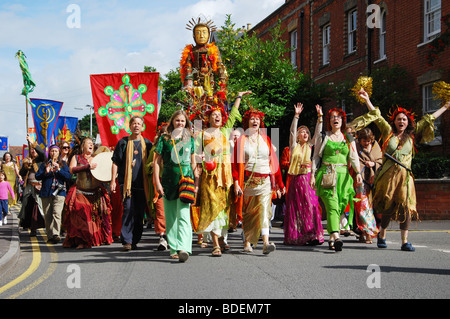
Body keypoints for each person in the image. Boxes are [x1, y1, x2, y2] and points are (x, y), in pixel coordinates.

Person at [354, 88, 449, 251]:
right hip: (388, 177)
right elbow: (377, 116)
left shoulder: (412, 135)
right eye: (399, 119)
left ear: (408, 122)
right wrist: (367, 99)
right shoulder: (388, 132)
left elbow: (429, 119)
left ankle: (405, 241)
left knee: (406, 207)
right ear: (394, 121)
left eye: (404, 119)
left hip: (405, 177)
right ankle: (382, 233)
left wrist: (446, 106)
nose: (401, 122)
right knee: (388, 208)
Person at [196, 91, 250, 257]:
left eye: (219, 114)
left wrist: (239, 97)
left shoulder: (226, 131)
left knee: (225, 208)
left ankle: (222, 239)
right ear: (209, 118)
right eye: (213, 115)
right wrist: (201, 157)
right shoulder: (203, 134)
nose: (217, 117)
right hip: (210, 176)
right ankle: (215, 243)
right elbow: (196, 156)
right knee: (212, 207)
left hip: (225, 177)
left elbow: (233, 115)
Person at [232, 107, 285, 254]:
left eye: (257, 118)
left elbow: (274, 163)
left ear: (260, 121)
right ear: (247, 122)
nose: (255, 121)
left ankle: (266, 242)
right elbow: (235, 165)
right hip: (248, 181)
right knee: (249, 213)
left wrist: (280, 183)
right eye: (252, 118)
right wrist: (236, 183)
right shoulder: (242, 140)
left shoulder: (266, 139)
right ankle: (247, 241)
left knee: (264, 211)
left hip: (265, 181)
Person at [311, 108, 363, 251]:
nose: (336, 119)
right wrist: (312, 174)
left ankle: (332, 239)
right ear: (329, 121)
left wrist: (358, 172)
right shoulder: (324, 136)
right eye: (333, 117)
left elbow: (354, 157)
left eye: (339, 117)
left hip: (344, 175)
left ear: (342, 120)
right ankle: (336, 235)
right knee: (332, 205)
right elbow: (316, 156)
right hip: (327, 171)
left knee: (341, 205)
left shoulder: (348, 137)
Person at [153, 110, 197, 262]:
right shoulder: (164, 139)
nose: (180, 123)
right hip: (168, 182)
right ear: (172, 122)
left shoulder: (190, 139)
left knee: (184, 215)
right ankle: (174, 247)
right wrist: (157, 183)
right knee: (171, 217)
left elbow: (193, 163)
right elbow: (156, 162)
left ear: (186, 123)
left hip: (185, 181)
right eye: (177, 120)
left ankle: (184, 248)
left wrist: (196, 182)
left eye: (183, 121)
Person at [284, 103, 324, 246]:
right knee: (297, 207)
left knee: (311, 205)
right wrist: (296, 116)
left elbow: (318, 134)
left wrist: (320, 118)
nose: (305, 134)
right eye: (303, 132)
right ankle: (299, 235)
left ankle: (313, 234)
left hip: (308, 178)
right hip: (296, 179)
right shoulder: (294, 146)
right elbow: (292, 132)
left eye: (307, 132)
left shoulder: (310, 146)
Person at [111, 116, 152, 251]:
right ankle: (126, 241)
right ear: (130, 127)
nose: (136, 126)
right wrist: (113, 181)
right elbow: (116, 162)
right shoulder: (123, 143)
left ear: (142, 127)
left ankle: (135, 240)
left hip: (142, 184)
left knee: (140, 213)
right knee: (128, 210)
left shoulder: (148, 144)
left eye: (139, 124)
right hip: (126, 185)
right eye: (134, 123)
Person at [63, 137, 113, 249]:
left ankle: (92, 239)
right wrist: (87, 167)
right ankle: (82, 241)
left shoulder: (97, 158)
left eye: (92, 143)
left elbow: (106, 171)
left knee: (95, 218)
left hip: (96, 193)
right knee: (82, 217)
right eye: (88, 143)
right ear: (83, 146)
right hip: (81, 192)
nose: (91, 145)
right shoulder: (77, 157)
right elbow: (71, 170)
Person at [35, 145, 72, 244]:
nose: (54, 153)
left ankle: (56, 234)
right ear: (49, 153)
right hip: (46, 192)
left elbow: (68, 176)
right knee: (48, 215)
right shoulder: (44, 164)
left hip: (59, 192)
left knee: (57, 213)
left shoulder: (63, 164)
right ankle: (50, 235)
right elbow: (37, 176)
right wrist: (45, 172)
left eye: (56, 151)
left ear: (59, 153)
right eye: (52, 151)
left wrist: (59, 170)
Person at [353, 127, 382, 243]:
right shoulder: (355, 147)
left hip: (374, 180)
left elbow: (381, 161)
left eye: (369, 141)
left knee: (372, 207)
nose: (366, 143)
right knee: (363, 207)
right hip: (360, 180)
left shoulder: (376, 147)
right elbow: (354, 161)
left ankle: (363, 232)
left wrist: (373, 164)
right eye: (364, 141)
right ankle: (367, 233)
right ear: (359, 140)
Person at [145, 123, 168, 251]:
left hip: (172, 184)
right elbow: (147, 167)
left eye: (167, 133)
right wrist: (153, 166)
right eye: (162, 134)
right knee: (160, 211)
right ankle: (162, 236)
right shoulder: (155, 150)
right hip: (158, 185)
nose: (165, 136)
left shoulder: (175, 147)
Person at [19, 134, 46, 236]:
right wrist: (27, 166)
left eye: (34, 149)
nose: (33, 151)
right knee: (28, 207)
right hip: (29, 187)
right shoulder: (27, 161)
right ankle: (31, 227)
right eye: (31, 149)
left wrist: (32, 142)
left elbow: (43, 154)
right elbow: (21, 173)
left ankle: (37, 227)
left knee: (38, 208)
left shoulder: (40, 160)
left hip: (38, 186)